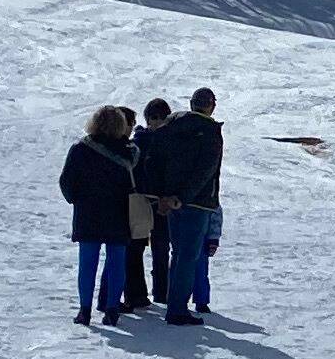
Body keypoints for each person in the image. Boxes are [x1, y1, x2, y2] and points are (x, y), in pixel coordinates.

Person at [148, 85, 226, 323]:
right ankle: (178, 309)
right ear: (211, 106)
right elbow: (205, 170)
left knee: (178, 252)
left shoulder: (171, 126)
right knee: (188, 256)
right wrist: (184, 196)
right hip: (197, 203)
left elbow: (155, 160)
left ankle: (174, 303)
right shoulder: (210, 131)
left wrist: (163, 195)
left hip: (171, 201)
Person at [61, 104, 137, 324]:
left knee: (87, 263)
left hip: (88, 213)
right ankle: (112, 309)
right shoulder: (128, 151)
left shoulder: (80, 149)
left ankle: (84, 310)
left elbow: (66, 182)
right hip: (119, 213)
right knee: (116, 263)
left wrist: (76, 199)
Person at [122, 95, 176, 314]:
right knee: (137, 247)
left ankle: (161, 290)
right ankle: (138, 293)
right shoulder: (141, 142)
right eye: (152, 118)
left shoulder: (163, 140)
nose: (155, 122)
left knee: (160, 247)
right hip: (143, 200)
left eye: (159, 118)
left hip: (159, 200)